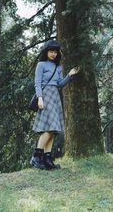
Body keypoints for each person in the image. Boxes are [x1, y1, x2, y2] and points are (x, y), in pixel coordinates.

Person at [30, 39, 80, 170]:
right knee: (48, 129)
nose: (53, 54)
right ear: (46, 52)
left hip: (55, 97)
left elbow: (59, 84)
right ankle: (36, 157)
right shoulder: (41, 65)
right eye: (51, 51)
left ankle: (47, 159)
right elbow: (37, 83)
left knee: (53, 130)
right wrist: (40, 98)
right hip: (45, 96)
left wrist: (69, 75)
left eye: (55, 52)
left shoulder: (58, 67)